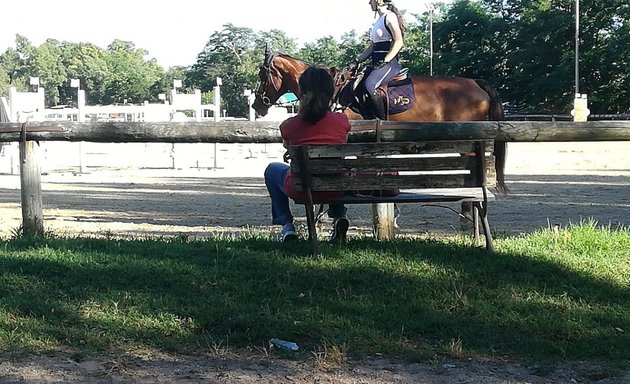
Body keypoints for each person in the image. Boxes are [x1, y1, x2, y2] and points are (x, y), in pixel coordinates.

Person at [264, 66, 352, 242]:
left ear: (302, 92)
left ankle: (287, 227)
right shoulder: (342, 121)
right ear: (330, 92)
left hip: (301, 189)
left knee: (272, 170)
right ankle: (338, 217)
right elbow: (342, 147)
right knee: (335, 166)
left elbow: (287, 147)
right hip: (336, 189)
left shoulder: (289, 125)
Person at [354, 0, 405, 120]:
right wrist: (356, 61)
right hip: (377, 64)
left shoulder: (390, 16)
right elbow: (372, 47)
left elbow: (399, 41)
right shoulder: (378, 21)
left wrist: (386, 60)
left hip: (390, 64)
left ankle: (382, 123)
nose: (369, 3)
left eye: (370, 0)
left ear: (378, 1)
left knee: (369, 85)